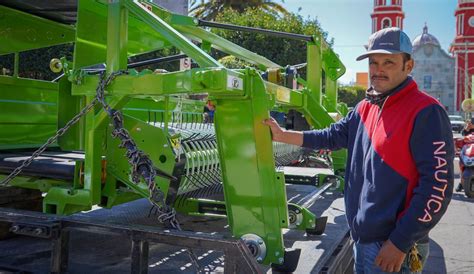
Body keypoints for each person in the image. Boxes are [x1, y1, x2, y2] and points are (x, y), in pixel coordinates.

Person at [264, 27, 454, 273]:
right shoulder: (364, 108)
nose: (378, 69)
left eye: (389, 62)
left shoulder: (426, 112)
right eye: (374, 62)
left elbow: (438, 186)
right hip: (362, 239)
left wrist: (399, 242)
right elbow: (331, 136)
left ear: (409, 66)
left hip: (394, 247)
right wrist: (282, 135)